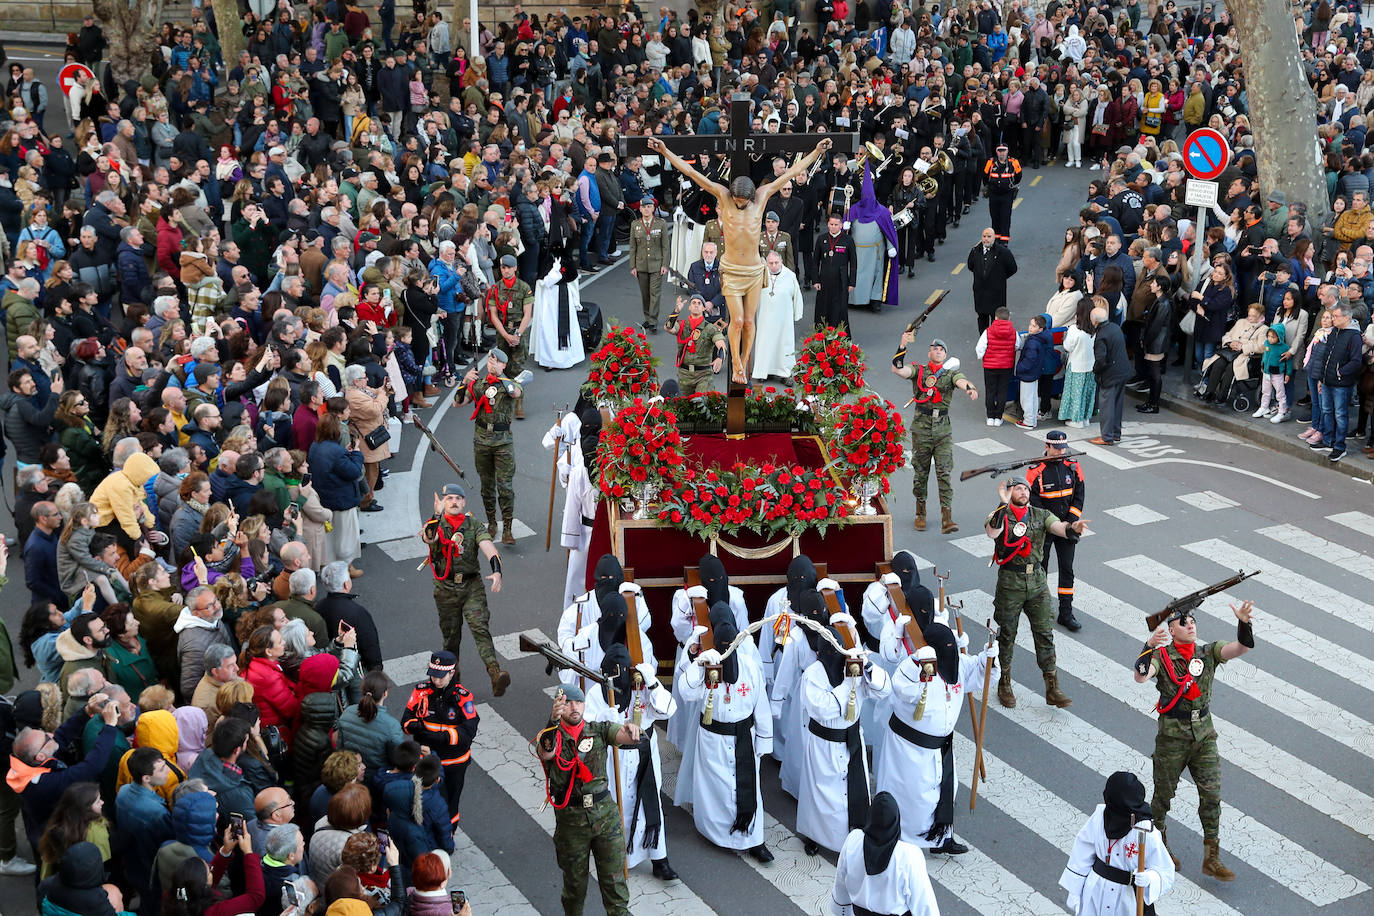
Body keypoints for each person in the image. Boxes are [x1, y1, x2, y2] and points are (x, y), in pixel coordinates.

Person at [648, 134, 833, 382]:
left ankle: (744, 363)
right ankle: (735, 361)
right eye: (736, 201)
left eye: (743, 202)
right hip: (732, 269)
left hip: (755, 270)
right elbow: (694, 175)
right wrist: (665, 152)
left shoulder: (763, 194)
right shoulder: (723, 195)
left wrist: (817, 151)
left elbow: (793, 171)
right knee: (735, 322)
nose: (739, 204)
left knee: (748, 321)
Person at [1134, 599, 1256, 881]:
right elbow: (1140, 677)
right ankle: (1158, 847)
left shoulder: (1208, 652)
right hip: (1172, 739)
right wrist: (1149, 645)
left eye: (1192, 622)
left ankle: (1211, 857)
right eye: (1183, 622)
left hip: (1204, 736)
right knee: (1162, 799)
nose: (1190, 625)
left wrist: (1244, 622)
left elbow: (1242, 648)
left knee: (1212, 796)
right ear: (1171, 630)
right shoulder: (1161, 657)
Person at [876, 621, 995, 856]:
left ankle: (941, 837)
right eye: (945, 648)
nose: (950, 653)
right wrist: (919, 669)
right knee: (912, 798)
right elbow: (900, 690)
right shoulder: (912, 668)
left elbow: (978, 671)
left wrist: (987, 657)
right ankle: (902, 838)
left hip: (940, 747)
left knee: (943, 791)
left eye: (952, 647)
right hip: (910, 749)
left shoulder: (956, 664)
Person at [675, 601, 774, 863]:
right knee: (717, 789)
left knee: (749, 787)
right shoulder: (707, 662)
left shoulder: (749, 665)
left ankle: (754, 839)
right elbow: (686, 693)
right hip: (714, 738)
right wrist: (698, 665)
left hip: (744, 736)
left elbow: (760, 703)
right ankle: (719, 835)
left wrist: (764, 741)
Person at [537, 682, 644, 916]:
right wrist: (552, 722)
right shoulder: (550, 735)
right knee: (575, 888)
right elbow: (545, 751)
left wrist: (631, 730)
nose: (574, 707)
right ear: (558, 707)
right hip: (571, 822)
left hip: (605, 817)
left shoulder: (599, 729)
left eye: (579, 702)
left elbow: (622, 735)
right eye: (567, 703)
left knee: (615, 887)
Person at [985, 478, 1090, 709]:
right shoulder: (1000, 513)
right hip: (1010, 584)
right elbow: (992, 532)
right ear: (1009, 493)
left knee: (1045, 634)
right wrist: (1003, 506)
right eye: (1017, 489)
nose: (1022, 492)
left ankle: (1052, 687)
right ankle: (1004, 683)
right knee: (1007, 635)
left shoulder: (1040, 515)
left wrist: (1072, 527)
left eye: (1025, 488)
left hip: (1037, 584)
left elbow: (1058, 527)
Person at [795, 621, 890, 855]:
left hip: (851, 741)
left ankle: (854, 837)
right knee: (822, 795)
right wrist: (848, 684)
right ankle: (816, 835)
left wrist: (867, 668)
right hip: (824, 743)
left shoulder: (853, 668)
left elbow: (883, 690)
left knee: (852, 793)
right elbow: (823, 708)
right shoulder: (813, 675)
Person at [419, 484, 510, 695]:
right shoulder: (436, 524)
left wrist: (496, 571)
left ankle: (496, 673)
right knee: (451, 638)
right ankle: (452, 683)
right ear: (443, 502)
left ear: (464, 502)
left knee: (480, 628)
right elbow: (428, 537)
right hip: (446, 588)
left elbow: (488, 547)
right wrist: (435, 514)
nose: (453, 502)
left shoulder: (473, 524)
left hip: (471, 585)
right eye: (449, 498)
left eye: (457, 498)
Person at [892, 337, 978, 533]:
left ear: (945, 355)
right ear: (929, 353)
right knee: (920, 472)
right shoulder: (919, 371)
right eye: (935, 349)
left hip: (943, 430)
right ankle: (920, 513)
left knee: (944, 472)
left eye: (941, 349)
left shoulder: (950, 374)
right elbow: (899, 370)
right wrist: (903, 346)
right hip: (921, 428)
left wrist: (970, 388)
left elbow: (961, 380)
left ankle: (947, 517)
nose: (938, 351)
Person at [1061, 771, 1176, 915]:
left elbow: (1164, 869)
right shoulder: (1099, 816)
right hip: (1095, 892)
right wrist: (1075, 891)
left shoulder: (1145, 830)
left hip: (1127, 899)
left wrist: (1151, 877)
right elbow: (1083, 851)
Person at [827, 792, 939, 916]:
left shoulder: (853, 840)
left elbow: (841, 881)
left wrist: (842, 910)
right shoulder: (909, 855)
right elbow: (923, 903)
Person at [454, 349, 524, 545]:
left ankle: (508, 528)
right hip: (482, 441)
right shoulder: (479, 384)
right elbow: (457, 403)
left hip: (503, 442)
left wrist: (500, 376)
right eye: (490, 360)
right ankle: (492, 523)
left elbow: (516, 392)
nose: (491, 364)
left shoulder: (509, 383)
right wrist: (464, 381)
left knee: (505, 487)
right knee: (487, 487)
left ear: (503, 365)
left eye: (496, 361)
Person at [402, 651, 479, 824]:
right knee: (423, 803)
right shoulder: (421, 692)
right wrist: (416, 726)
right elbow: (406, 722)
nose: (436, 680)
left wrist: (441, 737)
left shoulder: (463, 697)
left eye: (441, 677)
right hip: (428, 761)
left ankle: (448, 836)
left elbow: (469, 731)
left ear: (451, 673)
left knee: (451, 805)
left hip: (455, 763)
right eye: (433, 676)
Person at [1026, 430, 1086, 632]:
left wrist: (1070, 523)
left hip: (1068, 528)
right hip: (1045, 529)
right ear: (1047, 446)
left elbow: (1079, 495)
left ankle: (1066, 613)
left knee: (1067, 570)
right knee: (1040, 569)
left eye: (1063, 448)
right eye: (1057, 449)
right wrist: (1052, 524)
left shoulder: (1073, 466)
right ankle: (1040, 609)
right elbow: (1034, 503)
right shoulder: (1035, 471)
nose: (1061, 452)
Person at [483, 255, 534, 419]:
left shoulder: (524, 287)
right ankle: (502, 401)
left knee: (518, 368)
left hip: (519, 330)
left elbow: (528, 314)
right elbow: (493, 315)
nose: (505, 271)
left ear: (515, 268)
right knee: (500, 368)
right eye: (503, 268)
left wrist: (517, 335)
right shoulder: (495, 289)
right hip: (503, 332)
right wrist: (506, 335)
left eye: (508, 267)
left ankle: (519, 402)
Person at [752, 251, 804, 381]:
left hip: (783, 321)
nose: (774, 265)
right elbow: (752, 296)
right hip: (765, 319)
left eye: (776, 262)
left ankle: (785, 373)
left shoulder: (790, 276)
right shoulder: (760, 275)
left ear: (781, 262)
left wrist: (797, 313)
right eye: (771, 263)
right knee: (765, 343)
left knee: (784, 345)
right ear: (767, 263)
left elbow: (797, 296)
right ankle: (763, 372)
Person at [663, 292, 725, 395]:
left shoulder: (711, 328)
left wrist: (720, 358)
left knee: (701, 402)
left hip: (703, 375)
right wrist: (677, 310)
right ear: (689, 307)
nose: (696, 305)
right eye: (693, 303)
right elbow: (669, 327)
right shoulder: (681, 325)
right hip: (684, 374)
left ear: (704, 308)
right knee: (683, 406)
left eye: (699, 303)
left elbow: (721, 344)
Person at [1090, 305, 1131, 446]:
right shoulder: (1114, 327)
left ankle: (1106, 437)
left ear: (1094, 321)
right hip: (1122, 370)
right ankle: (1115, 433)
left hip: (1110, 375)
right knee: (1118, 404)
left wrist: (1095, 370)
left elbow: (1101, 360)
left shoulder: (1101, 336)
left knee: (1107, 405)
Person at [629, 195, 670, 331]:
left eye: (649, 207)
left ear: (653, 208)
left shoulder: (660, 223)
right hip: (641, 265)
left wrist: (664, 264)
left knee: (655, 293)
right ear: (640, 209)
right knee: (645, 294)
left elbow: (665, 246)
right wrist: (633, 266)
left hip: (656, 265)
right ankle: (647, 317)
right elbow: (633, 246)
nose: (646, 209)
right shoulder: (635, 225)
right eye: (644, 207)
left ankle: (653, 320)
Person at [968, 227, 1019, 333]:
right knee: (982, 318)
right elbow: (971, 266)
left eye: (989, 236)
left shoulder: (1003, 252)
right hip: (980, 293)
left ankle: (995, 340)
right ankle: (983, 340)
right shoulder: (975, 251)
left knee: (996, 319)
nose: (986, 239)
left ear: (994, 237)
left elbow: (1012, 268)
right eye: (984, 236)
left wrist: (999, 278)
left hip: (996, 293)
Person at [812, 213, 857, 332]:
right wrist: (815, 280)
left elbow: (853, 263)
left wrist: (852, 282)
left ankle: (841, 337)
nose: (833, 227)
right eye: (831, 224)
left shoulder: (848, 240)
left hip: (841, 282)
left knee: (840, 310)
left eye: (836, 224)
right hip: (824, 281)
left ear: (841, 225)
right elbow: (815, 262)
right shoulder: (821, 239)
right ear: (827, 224)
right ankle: (821, 336)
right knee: (822, 309)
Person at [982, 144, 1022, 241]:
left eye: (1004, 150)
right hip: (994, 194)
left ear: (1007, 151)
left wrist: (1009, 185)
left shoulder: (1013, 162)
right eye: (999, 150)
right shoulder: (990, 162)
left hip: (1007, 194)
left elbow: (1018, 176)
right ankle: (995, 239)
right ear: (996, 151)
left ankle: (1004, 241)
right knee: (995, 217)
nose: (1002, 152)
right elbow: (985, 176)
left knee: (1005, 217)